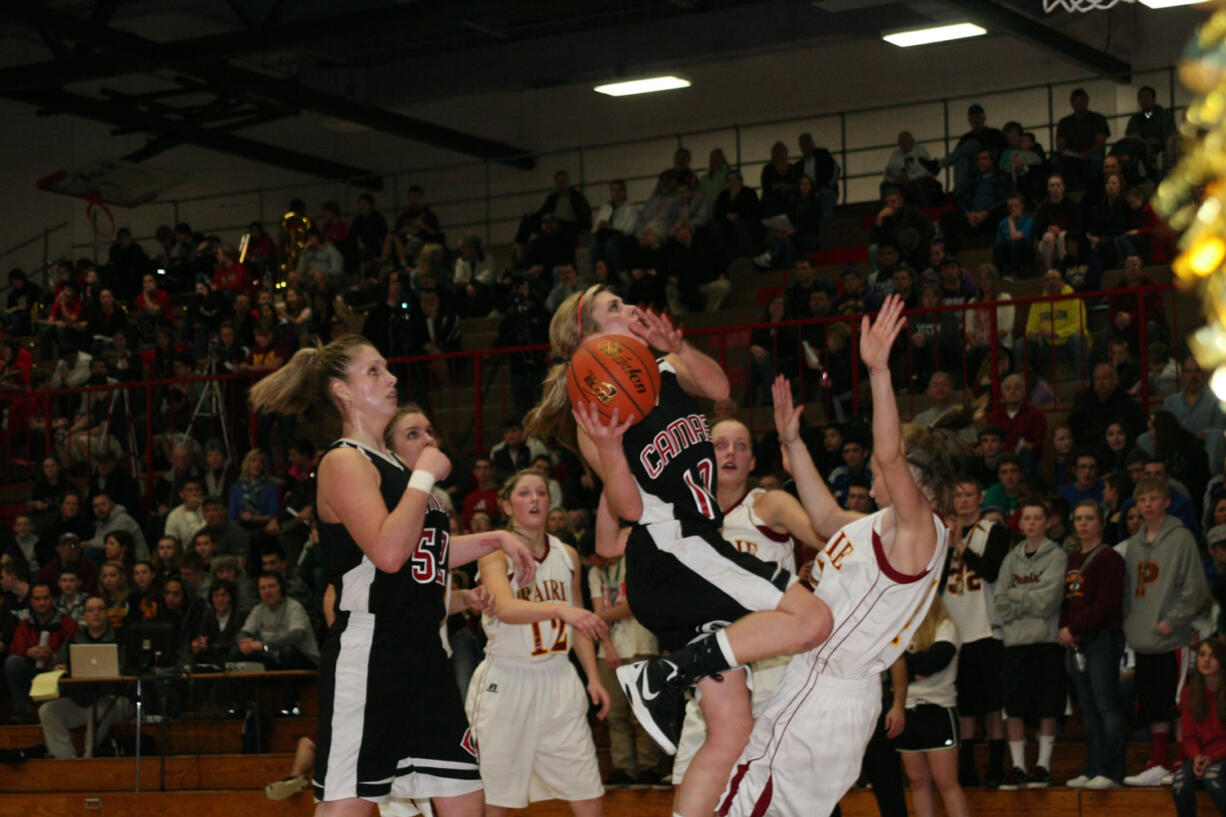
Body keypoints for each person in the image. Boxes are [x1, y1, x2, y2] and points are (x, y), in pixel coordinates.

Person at [525, 286, 832, 817]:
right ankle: (663, 676)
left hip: (693, 551)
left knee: (731, 731)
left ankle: (673, 675)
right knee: (814, 618)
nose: (629, 308)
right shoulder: (593, 406)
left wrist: (680, 348)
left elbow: (719, 387)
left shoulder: (660, 368)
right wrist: (607, 448)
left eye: (625, 300)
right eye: (613, 308)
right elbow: (627, 506)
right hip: (673, 548)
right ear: (590, 339)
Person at [249, 336, 536, 814]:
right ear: (342, 391)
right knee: (349, 805)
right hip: (372, 652)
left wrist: (497, 539)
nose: (392, 378)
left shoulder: (390, 466)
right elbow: (387, 552)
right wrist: (425, 475)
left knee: (466, 797)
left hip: (423, 649)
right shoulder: (343, 461)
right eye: (375, 372)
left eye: (388, 369)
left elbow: (423, 553)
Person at [717, 301, 954, 817]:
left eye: (878, 464)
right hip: (820, 684)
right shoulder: (879, 526)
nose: (872, 468)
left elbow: (890, 454)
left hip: (830, 690)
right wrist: (793, 443)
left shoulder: (921, 532)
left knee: (746, 803)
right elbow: (823, 520)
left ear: (912, 476)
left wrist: (878, 371)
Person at [671, 417, 821, 786]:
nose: (731, 453)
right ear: (704, 456)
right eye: (721, 445)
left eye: (741, 446)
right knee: (696, 784)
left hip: (773, 664)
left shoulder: (770, 505)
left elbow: (827, 535)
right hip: (715, 664)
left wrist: (823, 572)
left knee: (785, 783)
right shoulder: (684, 517)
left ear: (753, 462)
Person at [467, 470, 609, 816]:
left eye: (541, 493)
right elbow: (505, 608)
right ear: (506, 506)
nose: (534, 499)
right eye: (524, 493)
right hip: (508, 678)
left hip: (559, 678)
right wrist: (561, 610)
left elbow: (579, 624)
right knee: (496, 796)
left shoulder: (567, 554)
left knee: (587, 787)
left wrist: (592, 677)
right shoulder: (494, 554)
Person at [1123, 478, 1212, 787]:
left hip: (1171, 639)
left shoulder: (1182, 538)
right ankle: (1160, 762)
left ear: (1166, 502)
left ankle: (1182, 763)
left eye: (1153, 498)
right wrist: (1129, 624)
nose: (1147, 504)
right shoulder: (1133, 544)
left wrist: (1172, 620)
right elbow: (1127, 591)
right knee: (1152, 705)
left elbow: (1196, 588)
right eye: (1142, 499)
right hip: (1142, 640)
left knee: (1177, 704)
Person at [994, 500, 1068, 789]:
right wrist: (1027, 598)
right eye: (1027, 518)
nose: (1033, 523)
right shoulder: (1010, 559)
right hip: (1015, 644)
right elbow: (1000, 602)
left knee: (1047, 705)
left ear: (1047, 522)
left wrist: (1017, 595)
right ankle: (1018, 766)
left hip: (1045, 642)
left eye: (1038, 518)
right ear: (1021, 523)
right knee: (1014, 708)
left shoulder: (1056, 556)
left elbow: (1048, 602)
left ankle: (1042, 766)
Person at [943, 477, 1010, 789]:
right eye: (958, 495)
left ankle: (996, 767)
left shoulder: (993, 532)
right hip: (954, 631)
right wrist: (948, 544)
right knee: (965, 705)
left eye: (969, 494)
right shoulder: (942, 534)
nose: (964, 500)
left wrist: (959, 546)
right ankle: (967, 769)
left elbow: (991, 570)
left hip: (986, 628)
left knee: (992, 704)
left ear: (980, 499)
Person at [1059, 500, 1127, 790]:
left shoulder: (1109, 558)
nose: (1083, 523)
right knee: (1087, 708)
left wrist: (1074, 627)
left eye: (1089, 518)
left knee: (1106, 705)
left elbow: (1107, 604)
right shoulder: (1072, 559)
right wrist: (1066, 628)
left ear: (1100, 523)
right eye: (1079, 518)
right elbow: (1066, 600)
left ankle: (1112, 770)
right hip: (1076, 643)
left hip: (1102, 639)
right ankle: (1093, 767)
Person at [896, 596, 969, 817]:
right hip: (908, 710)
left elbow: (934, 662)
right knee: (918, 782)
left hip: (938, 709)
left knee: (946, 782)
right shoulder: (901, 631)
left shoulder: (945, 627)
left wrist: (904, 666)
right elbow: (889, 669)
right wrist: (910, 669)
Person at [38, 595, 134, 758]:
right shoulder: (73, 640)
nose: (96, 613)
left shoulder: (122, 639)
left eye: (100, 609)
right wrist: (60, 669)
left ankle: (89, 759)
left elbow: (131, 670)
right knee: (47, 710)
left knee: (98, 709)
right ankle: (66, 761)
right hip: (80, 700)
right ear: (84, 615)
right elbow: (55, 667)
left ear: (107, 613)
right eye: (91, 610)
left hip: (115, 700)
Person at [4, 582, 77, 723]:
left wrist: (54, 657)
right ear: (31, 601)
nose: (42, 603)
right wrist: (28, 652)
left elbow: (75, 652)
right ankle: (22, 713)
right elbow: (13, 650)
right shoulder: (24, 625)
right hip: (32, 671)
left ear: (52, 600)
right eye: (37, 599)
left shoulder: (67, 623)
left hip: (57, 673)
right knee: (13, 663)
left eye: (45, 598)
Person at [1172, 639, 1226, 817]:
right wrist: (1196, 757)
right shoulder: (1189, 693)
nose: (1206, 660)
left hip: (1222, 754)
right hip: (1204, 755)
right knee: (1179, 781)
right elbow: (1189, 735)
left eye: (1213, 656)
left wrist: (1213, 757)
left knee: (1213, 778)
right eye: (1202, 655)